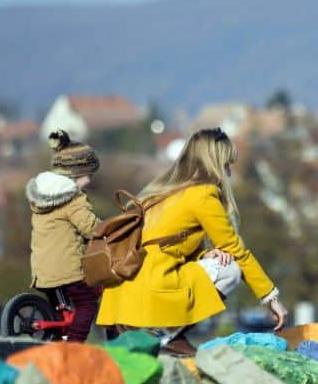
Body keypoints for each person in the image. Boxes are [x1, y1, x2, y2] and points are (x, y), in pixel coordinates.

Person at [96, 127, 289, 355]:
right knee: (230, 268)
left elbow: (163, 244)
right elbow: (236, 250)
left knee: (220, 260)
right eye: (226, 165)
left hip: (122, 299)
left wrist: (202, 255)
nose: (228, 173)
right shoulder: (203, 195)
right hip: (150, 292)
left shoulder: (165, 192)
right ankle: (166, 335)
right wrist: (271, 298)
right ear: (215, 164)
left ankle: (163, 333)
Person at [26, 129, 101, 342]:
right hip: (67, 271)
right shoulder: (73, 199)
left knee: (60, 312)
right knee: (86, 305)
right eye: (89, 175)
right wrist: (105, 229)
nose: (90, 180)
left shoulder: (41, 199)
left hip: (42, 271)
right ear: (76, 174)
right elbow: (90, 228)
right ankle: (74, 348)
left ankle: (57, 343)